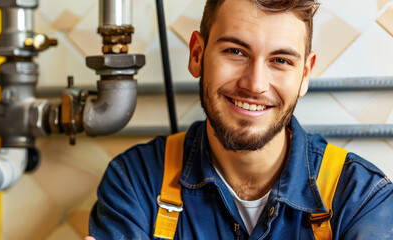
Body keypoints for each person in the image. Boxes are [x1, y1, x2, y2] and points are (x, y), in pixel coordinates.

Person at [87, 0, 393, 239]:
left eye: (280, 60)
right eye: (235, 51)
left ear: (304, 75)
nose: (255, 84)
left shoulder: (361, 199)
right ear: (197, 54)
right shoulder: (135, 182)